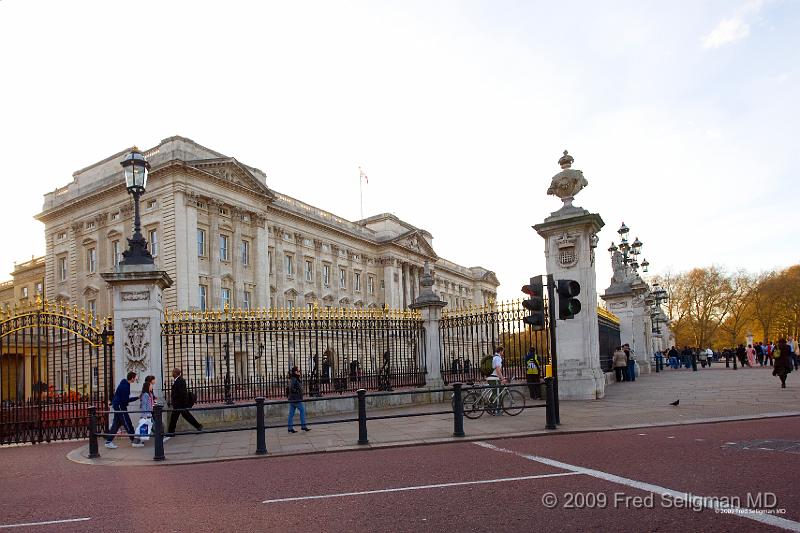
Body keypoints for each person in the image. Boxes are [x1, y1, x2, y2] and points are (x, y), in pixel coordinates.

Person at [105, 371, 141, 449]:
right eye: (135, 377)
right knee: (127, 423)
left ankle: (108, 441)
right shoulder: (125, 386)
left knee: (116, 424)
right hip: (120, 406)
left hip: (118, 406)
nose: (136, 379)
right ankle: (133, 441)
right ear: (132, 378)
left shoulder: (124, 384)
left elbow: (118, 396)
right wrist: (137, 398)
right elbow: (125, 400)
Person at [167, 368, 202, 440]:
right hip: (178, 404)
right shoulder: (177, 380)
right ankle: (198, 426)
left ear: (176, 373)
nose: (172, 373)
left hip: (179, 404)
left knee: (174, 418)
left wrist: (182, 403)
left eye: (173, 372)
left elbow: (183, 393)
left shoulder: (180, 381)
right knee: (187, 416)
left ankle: (171, 432)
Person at [133, 375, 156, 446]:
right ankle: (137, 442)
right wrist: (145, 415)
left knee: (147, 427)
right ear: (148, 387)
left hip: (149, 414)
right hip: (146, 414)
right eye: (150, 385)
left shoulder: (149, 394)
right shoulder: (145, 395)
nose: (152, 387)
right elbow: (144, 405)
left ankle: (140, 441)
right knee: (143, 428)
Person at [287, 366, 310, 433]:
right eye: (298, 371)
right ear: (295, 372)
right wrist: (297, 391)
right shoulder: (294, 379)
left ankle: (290, 428)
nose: (299, 372)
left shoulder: (294, 378)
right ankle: (303, 426)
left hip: (292, 398)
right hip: (296, 399)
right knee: (302, 411)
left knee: (291, 414)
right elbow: (291, 388)